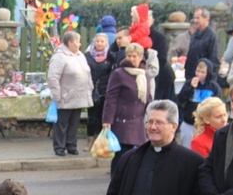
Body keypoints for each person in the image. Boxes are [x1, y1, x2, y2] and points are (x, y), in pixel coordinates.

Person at [102, 42, 157, 174]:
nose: (131, 59)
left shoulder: (145, 74)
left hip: (139, 120)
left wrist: (151, 118)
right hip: (123, 121)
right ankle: (116, 180)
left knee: (137, 155)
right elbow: (111, 98)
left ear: (141, 57)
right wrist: (107, 120)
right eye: (129, 56)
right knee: (122, 154)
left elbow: (148, 98)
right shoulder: (119, 73)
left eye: (134, 56)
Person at [46, 31, 93, 157]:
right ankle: (59, 147)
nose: (80, 44)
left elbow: (87, 74)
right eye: (77, 41)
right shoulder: (59, 57)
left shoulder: (80, 55)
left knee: (74, 123)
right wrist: (57, 94)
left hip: (79, 96)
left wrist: (90, 89)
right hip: (65, 96)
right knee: (62, 123)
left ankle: (71, 145)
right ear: (69, 43)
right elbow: (52, 77)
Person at [177, 58, 222, 148]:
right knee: (186, 147)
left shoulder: (213, 87)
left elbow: (218, 104)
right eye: (198, 71)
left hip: (206, 124)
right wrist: (191, 88)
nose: (199, 74)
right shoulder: (189, 83)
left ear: (208, 73)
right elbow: (180, 99)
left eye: (202, 72)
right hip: (189, 121)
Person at [84, 33, 113, 153]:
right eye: (98, 41)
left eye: (102, 41)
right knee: (92, 117)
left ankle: (101, 143)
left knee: (104, 117)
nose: (100, 44)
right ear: (94, 43)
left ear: (106, 43)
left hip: (106, 90)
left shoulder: (111, 56)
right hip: (91, 90)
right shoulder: (87, 56)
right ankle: (90, 141)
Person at [147, 8, 177, 101]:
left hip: (162, 78)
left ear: (152, 20)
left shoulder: (159, 37)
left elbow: (162, 59)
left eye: (147, 19)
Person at [185, 8, 220, 80]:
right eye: (194, 18)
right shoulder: (194, 34)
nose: (195, 21)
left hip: (204, 78)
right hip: (191, 76)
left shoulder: (212, 36)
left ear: (206, 18)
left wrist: (211, 79)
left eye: (198, 18)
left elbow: (214, 60)